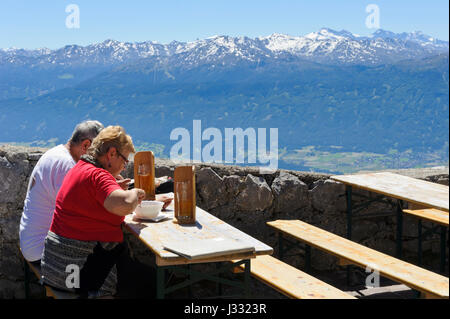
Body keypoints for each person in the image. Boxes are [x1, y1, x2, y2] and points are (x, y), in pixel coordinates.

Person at [40, 125, 172, 298]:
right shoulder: (98, 176)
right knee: (158, 282)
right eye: (124, 160)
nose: (124, 167)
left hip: (55, 268)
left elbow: (93, 200)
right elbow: (124, 204)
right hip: (80, 273)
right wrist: (134, 193)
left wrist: (115, 190)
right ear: (111, 154)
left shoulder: (79, 168)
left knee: (136, 271)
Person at [19, 120, 104, 263]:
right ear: (86, 145)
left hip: (32, 244)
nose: (98, 160)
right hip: (42, 251)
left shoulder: (58, 154)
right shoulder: (67, 166)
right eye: (98, 152)